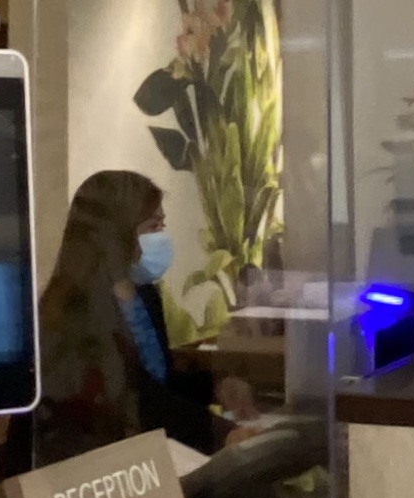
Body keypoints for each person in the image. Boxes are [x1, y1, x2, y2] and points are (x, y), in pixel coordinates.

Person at [31, 169, 255, 467]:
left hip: (142, 460)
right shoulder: (71, 311)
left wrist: (215, 386)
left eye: (163, 224)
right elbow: (135, 397)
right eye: (152, 226)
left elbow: (158, 382)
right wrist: (219, 433)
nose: (162, 237)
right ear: (116, 234)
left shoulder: (144, 295)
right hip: (84, 468)